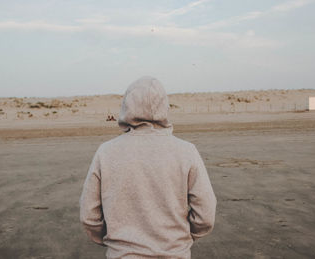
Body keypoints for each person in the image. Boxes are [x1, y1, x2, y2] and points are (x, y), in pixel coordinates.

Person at [79, 76, 217, 259]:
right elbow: (205, 215)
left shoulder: (106, 152)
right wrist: (181, 240)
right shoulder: (186, 151)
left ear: (126, 106)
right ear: (164, 107)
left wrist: (115, 240)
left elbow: (89, 216)